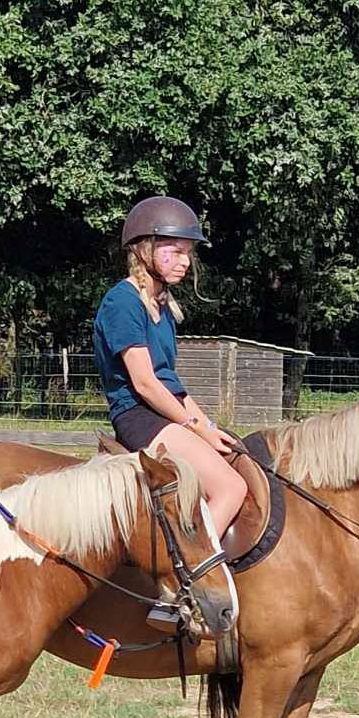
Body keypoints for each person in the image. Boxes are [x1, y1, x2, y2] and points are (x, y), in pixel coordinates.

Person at [93, 197, 247, 540]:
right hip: (139, 416)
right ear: (145, 250)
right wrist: (196, 427)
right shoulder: (123, 302)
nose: (185, 262)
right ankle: (189, 583)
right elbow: (146, 384)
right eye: (175, 251)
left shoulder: (160, 306)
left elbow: (171, 384)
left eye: (188, 253)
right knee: (231, 489)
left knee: (237, 456)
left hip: (164, 413)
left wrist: (208, 425)